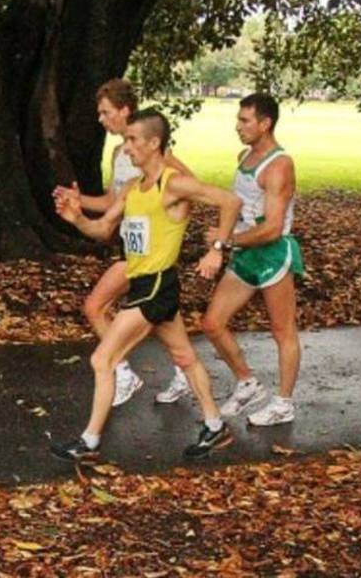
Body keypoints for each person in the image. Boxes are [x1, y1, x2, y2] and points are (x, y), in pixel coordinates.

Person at [50, 108, 243, 461]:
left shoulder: (173, 184)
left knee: (102, 359)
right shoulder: (131, 189)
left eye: (133, 140)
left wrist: (217, 249)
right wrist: (77, 217)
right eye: (126, 140)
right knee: (184, 356)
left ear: (154, 143)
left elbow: (230, 201)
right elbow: (102, 229)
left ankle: (90, 441)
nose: (126, 148)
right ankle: (215, 426)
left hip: (155, 286)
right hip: (146, 283)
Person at [74, 79, 191, 407]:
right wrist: (77, 200)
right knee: (166, 323)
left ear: (125, 110)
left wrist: (168, 226)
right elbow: (114, 202)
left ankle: (122, 373)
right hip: (133, 251)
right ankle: (188, 378)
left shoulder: (156, 153)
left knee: (95, 307)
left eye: (105, 112)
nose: (101, 118)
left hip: (145, 256)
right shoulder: (117, 153)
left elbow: (189, 187)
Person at [199, 93, 305, 426]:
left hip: (272, 255)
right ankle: (247, 383)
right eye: (238, 119)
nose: (238, 126)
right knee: (212, 323)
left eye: (245, 121)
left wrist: (225, 240)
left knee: (282, 330)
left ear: (265, 123)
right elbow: (237, 207)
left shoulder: (279, 165)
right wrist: (224, 241)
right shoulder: (245, 157)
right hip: (245, 253)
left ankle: (284, 403)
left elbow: (272, 228)